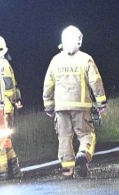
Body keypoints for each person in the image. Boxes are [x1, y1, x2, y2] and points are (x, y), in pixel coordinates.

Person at [42, 25, 107, 178]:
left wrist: (48, 106)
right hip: (81, 107)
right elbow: (95, 82)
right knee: (86, 134)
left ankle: (67, 169)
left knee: (64, 137)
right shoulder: (86, 59)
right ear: (79, 40)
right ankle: (83, 154)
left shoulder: (55, 60)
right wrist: (101, 103)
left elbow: (48, 85)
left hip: (61, 107)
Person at [0, 35, 23, 179]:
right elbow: (12, 85)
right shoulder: (5, 64)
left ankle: (2, 172)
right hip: (6, 108)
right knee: (4, 138)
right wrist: (16, 99)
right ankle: (14, 167)